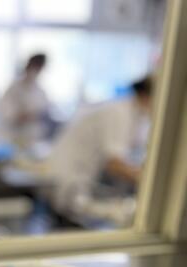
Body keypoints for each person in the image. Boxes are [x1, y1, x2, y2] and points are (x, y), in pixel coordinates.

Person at [49, 76, 153, 218]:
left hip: (83, 175)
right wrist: (147, 180)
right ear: (145, 95)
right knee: (69, 217)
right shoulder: (119, 112)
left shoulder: (139, 117)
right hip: (70, 174)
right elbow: (114, 164)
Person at [0, 53, 50, 151]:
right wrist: (22, 115)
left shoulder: (40, 92)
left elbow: (43, 112)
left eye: (39, 68)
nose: (36, 71)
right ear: (28, 65)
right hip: (10, 138)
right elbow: (7, 112)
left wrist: (31, 116)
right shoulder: (14, 88)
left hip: (31, 140)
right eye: (35, 66)